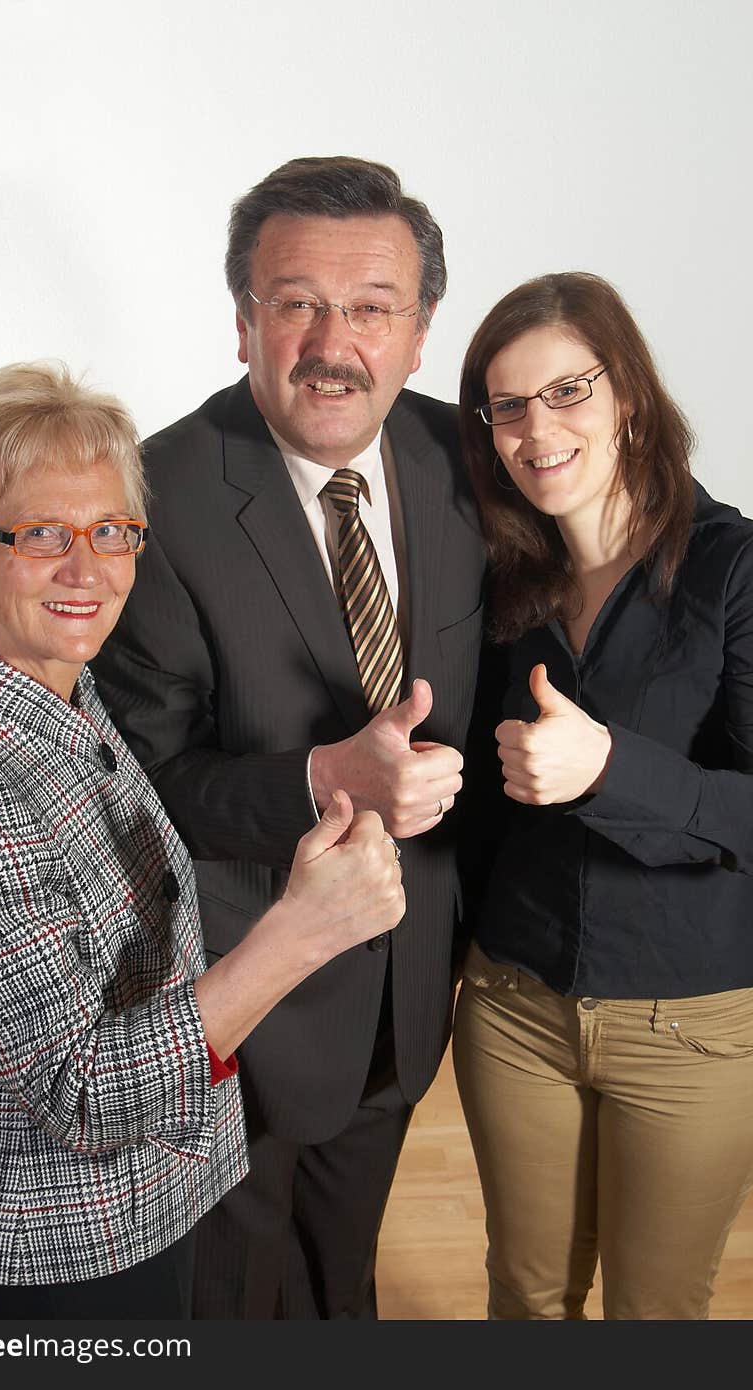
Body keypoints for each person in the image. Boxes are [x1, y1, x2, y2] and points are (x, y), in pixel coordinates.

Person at [0, 361, 406, 1321]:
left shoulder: (56, 685)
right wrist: (302, 932)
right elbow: (83, 1096)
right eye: (42, 534)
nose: (89, 570)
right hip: (63, 1237)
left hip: (151, 1192)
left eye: (113, 532)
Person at [91, 155, 485, 1319]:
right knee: (234, 1301)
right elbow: (141, 781)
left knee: (341, 1284)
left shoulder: (464, 461)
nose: (332, 341)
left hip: (409, 992)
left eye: (371, 309)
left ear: (419, 332)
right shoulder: (153, 499)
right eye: (297, 301)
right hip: (244, 1004)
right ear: (242, 320)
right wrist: (322, 774)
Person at [451, 271, 753, 1320]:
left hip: (691, 1028)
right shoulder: (503, 582)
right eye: (508, 406)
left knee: (653, 1317)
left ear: (626, 392)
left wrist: (610, 767)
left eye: (567, 392)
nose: (538, 431)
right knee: (524, 1300)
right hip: (513, 1011)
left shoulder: (732, 569)